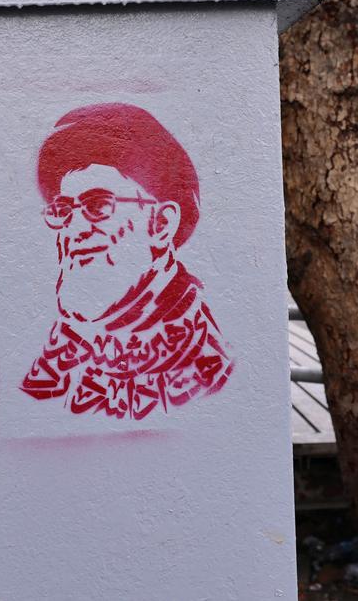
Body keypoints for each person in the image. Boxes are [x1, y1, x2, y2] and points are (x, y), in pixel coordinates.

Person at [19, 103, 233, 421]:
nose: (73, 228)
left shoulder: (202, 365)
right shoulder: (63, 354)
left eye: (98, 205)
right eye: (64, 209)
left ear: (160, 225)